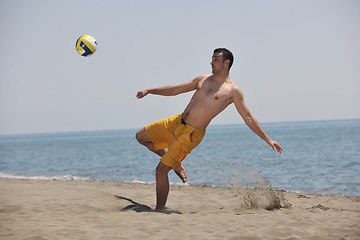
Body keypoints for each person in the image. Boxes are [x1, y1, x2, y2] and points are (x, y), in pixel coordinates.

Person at [136, 48, 283, 210]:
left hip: (190, 135)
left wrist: (268, 139)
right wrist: (149, 91)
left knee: (161, 171)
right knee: (141, 136)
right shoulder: (203, 79)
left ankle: (159, 211)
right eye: (211, 59)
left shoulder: (233, 91)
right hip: (176, 122)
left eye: (215, 59)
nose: (211, 62)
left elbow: (248, 117)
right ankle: (176, 163)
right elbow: (175, 90)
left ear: (226, 63)